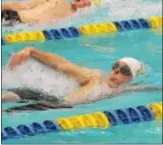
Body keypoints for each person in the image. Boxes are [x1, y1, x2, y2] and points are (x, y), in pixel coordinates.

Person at [2, 47, 162, 113]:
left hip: (55, 104)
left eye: (124, 70)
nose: (116, 71)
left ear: (130, 78)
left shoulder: (122, 90)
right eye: (116, 66)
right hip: (53, 103)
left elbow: (149, 88)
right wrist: (33, 51)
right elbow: (63, 65)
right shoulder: (95, 77)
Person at [2, 0, 101, 25]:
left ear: (89, 5)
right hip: (11, 17)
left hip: (18, 27)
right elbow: (24, 5)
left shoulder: (73, 21)